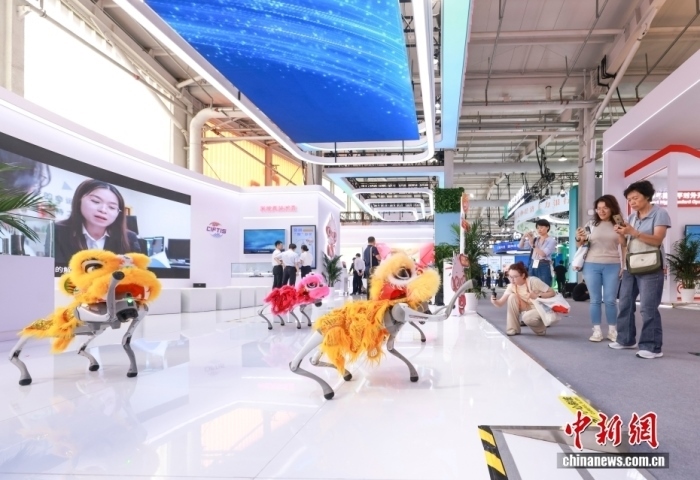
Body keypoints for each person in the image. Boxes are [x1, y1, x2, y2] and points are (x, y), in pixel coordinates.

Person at [610, 180, 671, 359]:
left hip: (651, 265)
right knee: (625, 303)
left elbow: (657, 240)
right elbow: (625, 244)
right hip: (631, 264)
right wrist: (621, 234)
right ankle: (625, 339)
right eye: (629, 200)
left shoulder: (660, 214)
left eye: (635, 198)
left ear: (647, 196)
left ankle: (652, 347)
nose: (632, 202)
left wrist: (634, 232)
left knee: (648, 307)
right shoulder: (631, 218)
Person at [575, 194, 626, 342]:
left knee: (610, 300)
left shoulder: (620, 224)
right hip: (591, 264)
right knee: (595, 300)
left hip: (613, 264)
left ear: (612, 208)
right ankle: (596, 330)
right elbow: (581, 244)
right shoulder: (591, 224)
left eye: (605, 208)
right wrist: (579, 238)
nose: (601, 211)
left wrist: (624, 265)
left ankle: (612, 330)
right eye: (598, 208)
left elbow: (624, 245)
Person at [54, 179, 140, 266]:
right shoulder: (57, 232)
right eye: (95, 201)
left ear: (118, 213)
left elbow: (136, 271)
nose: (103, 210)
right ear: (79, 200)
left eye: (112, 207)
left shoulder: (129, 239)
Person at [490, 262, 557, 336]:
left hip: (541, 307)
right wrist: (494, 301)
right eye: (510, 276)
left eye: (515, 277)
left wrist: (537, 295)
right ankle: (513, 329)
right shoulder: (512, 286)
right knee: (512, 297)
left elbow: (552, 292)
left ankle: (541, 329)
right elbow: (500, 303)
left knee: (527, 318)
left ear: (523, 275)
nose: (512, 280)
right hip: (528, 306)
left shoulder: (533, 281)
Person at [518, 219, 556, 287]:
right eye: (538, 228)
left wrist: (532, 245)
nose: (539, 230)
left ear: (547, 227)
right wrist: (524, 237)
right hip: (533, 263)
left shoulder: (551, 241)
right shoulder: (535, 239)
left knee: (544, 286)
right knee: (531, 285)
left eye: (541, 227)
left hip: (543, 264)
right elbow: (520, 246)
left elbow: (543, 254)